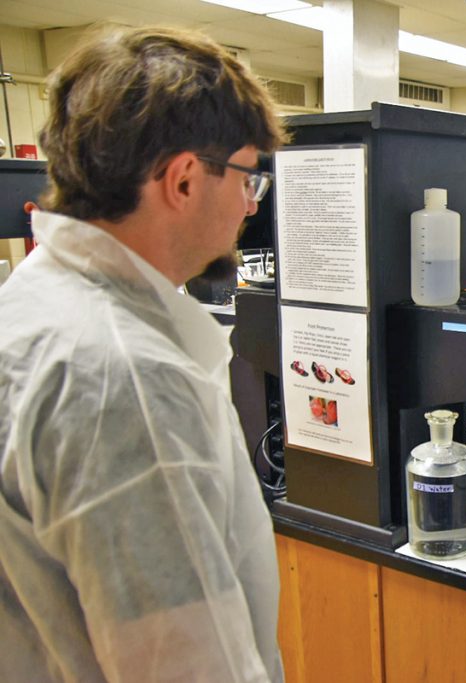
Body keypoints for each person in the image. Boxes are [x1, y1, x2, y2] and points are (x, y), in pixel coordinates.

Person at [0, 27, 288, 681]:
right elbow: (185, 662)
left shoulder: (28, 308)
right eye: (247, 178)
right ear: (184, 180)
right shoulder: (127, 380)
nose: (250, 204)